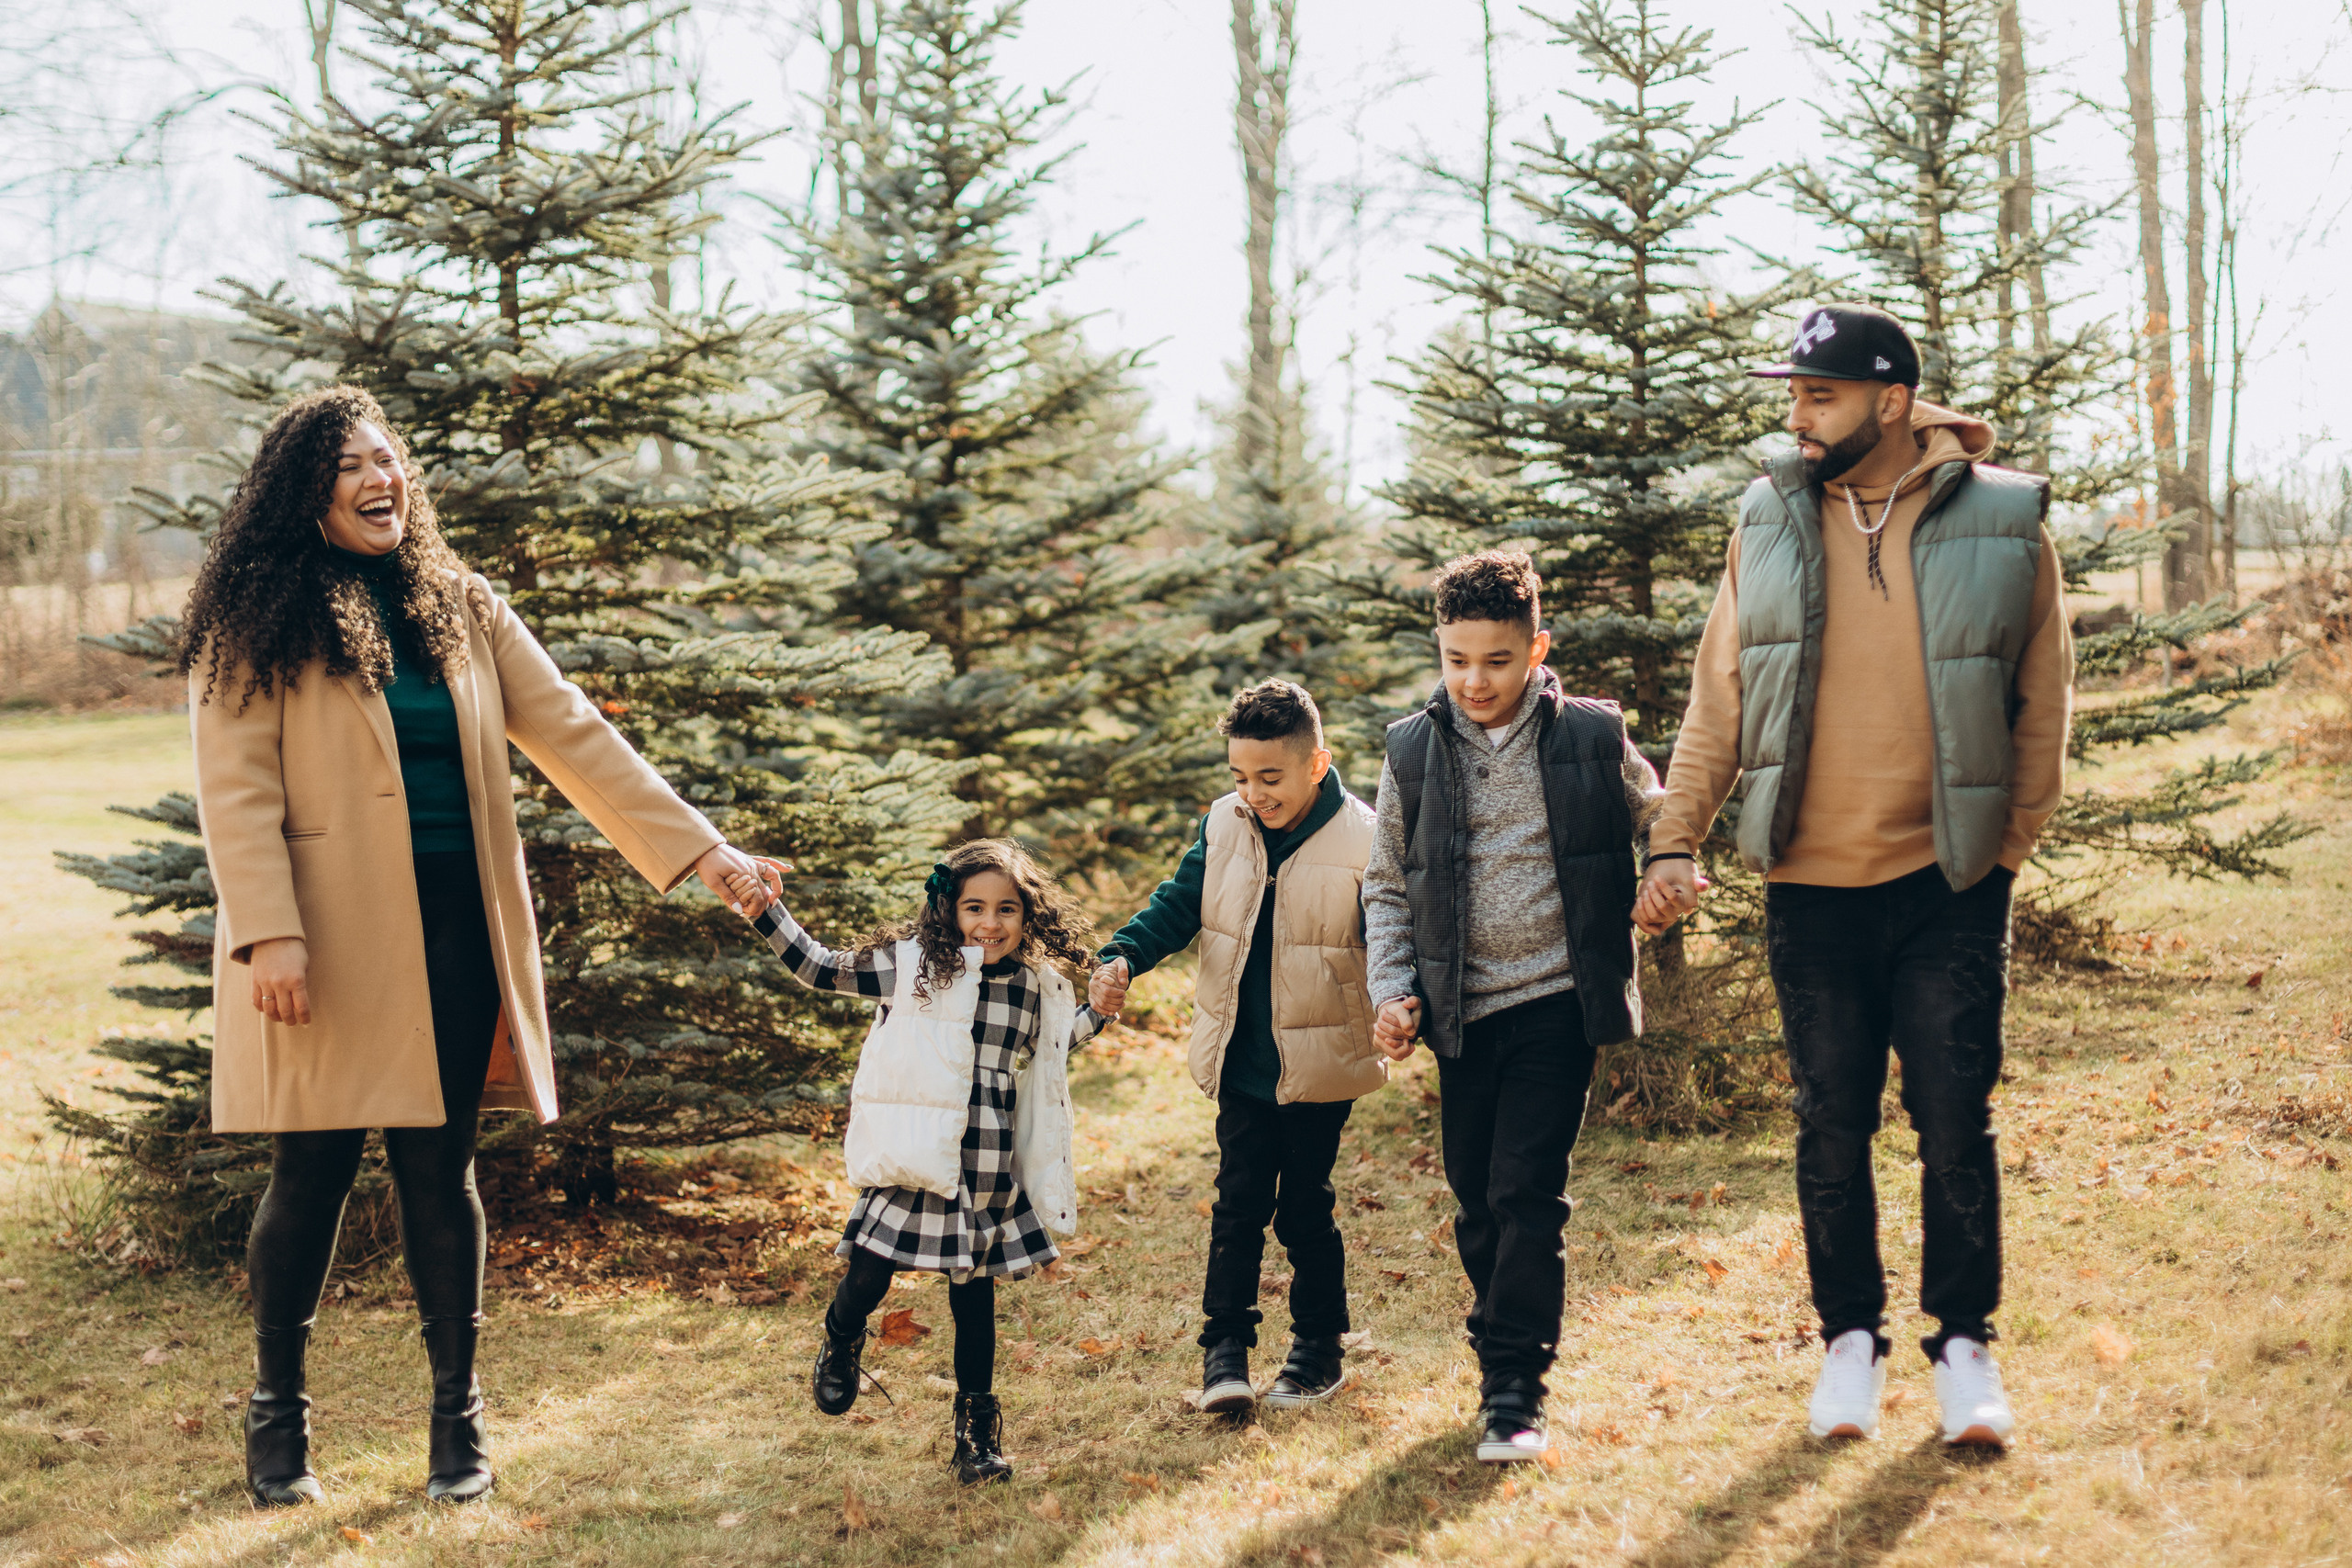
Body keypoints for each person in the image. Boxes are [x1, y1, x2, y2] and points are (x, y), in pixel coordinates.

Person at [185, 386, 778, 1507]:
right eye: (349, 467)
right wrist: (269, 934)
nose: (380, 479)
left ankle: (456, 1425)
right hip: (320, 938)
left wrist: (703, 853)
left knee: (437, 1166)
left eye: (388, 459)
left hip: (456, 929)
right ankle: (277, 1423)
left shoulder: (459, 604)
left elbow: (573, 733)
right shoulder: (255, 621)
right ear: (302, 495)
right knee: (308, 1172)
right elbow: (235, 789)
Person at [1634, 303, 2073, 1449]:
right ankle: (1849, 1345)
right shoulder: (1766, 516)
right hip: (1810, 886)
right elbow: (1717, 699)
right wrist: (1674, 836)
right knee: (1829, 1121)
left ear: (1890, 401)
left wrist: (2005, 851)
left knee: (1950, 1116)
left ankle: (1965, 1350)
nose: (1797, 415)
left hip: (1948, 880)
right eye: (1792, 395)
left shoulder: (2007, 519)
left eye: (1817, 394)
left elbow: (2042, 706)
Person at [1363, 550, 1662, 1463]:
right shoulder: (1411, 750)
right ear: (1439, 650)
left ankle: (1513, 1388)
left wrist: (1670, 870)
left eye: (1496, 660)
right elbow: (1384, 886)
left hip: (1555, 1001)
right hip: (1461, 1014)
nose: (1474, 680)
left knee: (1522, 1191)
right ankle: (1501, 1341)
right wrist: (1392, 990)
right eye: (1456, 660)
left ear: (1537, 648)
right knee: (1476, 1201)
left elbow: (1662, 814)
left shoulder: (1590, 736)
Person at [726, 839, 1116, 1484]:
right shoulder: (912, 967)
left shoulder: (1032, 984)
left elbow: (1054, 1044)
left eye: (1007, 909)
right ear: (948, 909)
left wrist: (1096, 1013)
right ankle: (843, 1334)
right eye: (974, 907)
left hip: (987, 1165)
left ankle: (975, 1432)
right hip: (917, 1153)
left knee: (974, 1299)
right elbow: (819, 967)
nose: (990, 923)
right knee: (870, 1271)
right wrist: (767, 909)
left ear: (1028, 916)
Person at [1088, 680, 1385, 1416]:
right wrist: (1123, 954)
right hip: (1241, 1057)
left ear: (1317, 763)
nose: (1253, 793)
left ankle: (1318, 1349)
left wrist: (1406, 1005)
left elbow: (1391, 938)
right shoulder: (1224, 825)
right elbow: (1177, 903)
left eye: (1270, 777)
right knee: (1238, 1202)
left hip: (1321, 1058)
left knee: (1304, 1208)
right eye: (1240, 777)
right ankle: (1225, 1352)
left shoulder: (1365, 837)